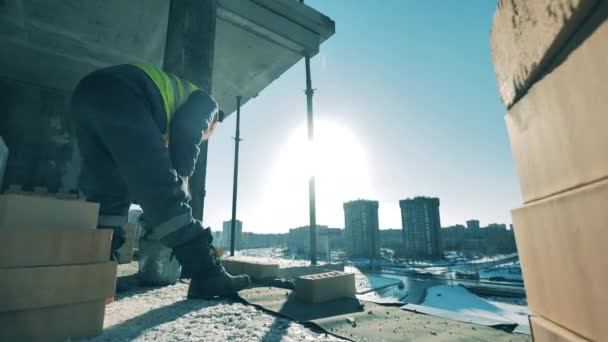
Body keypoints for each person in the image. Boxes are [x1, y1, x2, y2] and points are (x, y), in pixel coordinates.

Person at [70, 64, 250, 299]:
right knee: (164, 193)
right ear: (214, 124)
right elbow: (186, 132)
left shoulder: (163, 110)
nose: (203, 136)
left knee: (109, 194)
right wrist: (181, 180)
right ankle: (207, 274)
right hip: (122, 94)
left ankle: (96, 274)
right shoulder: (208, 104)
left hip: (85, 96)